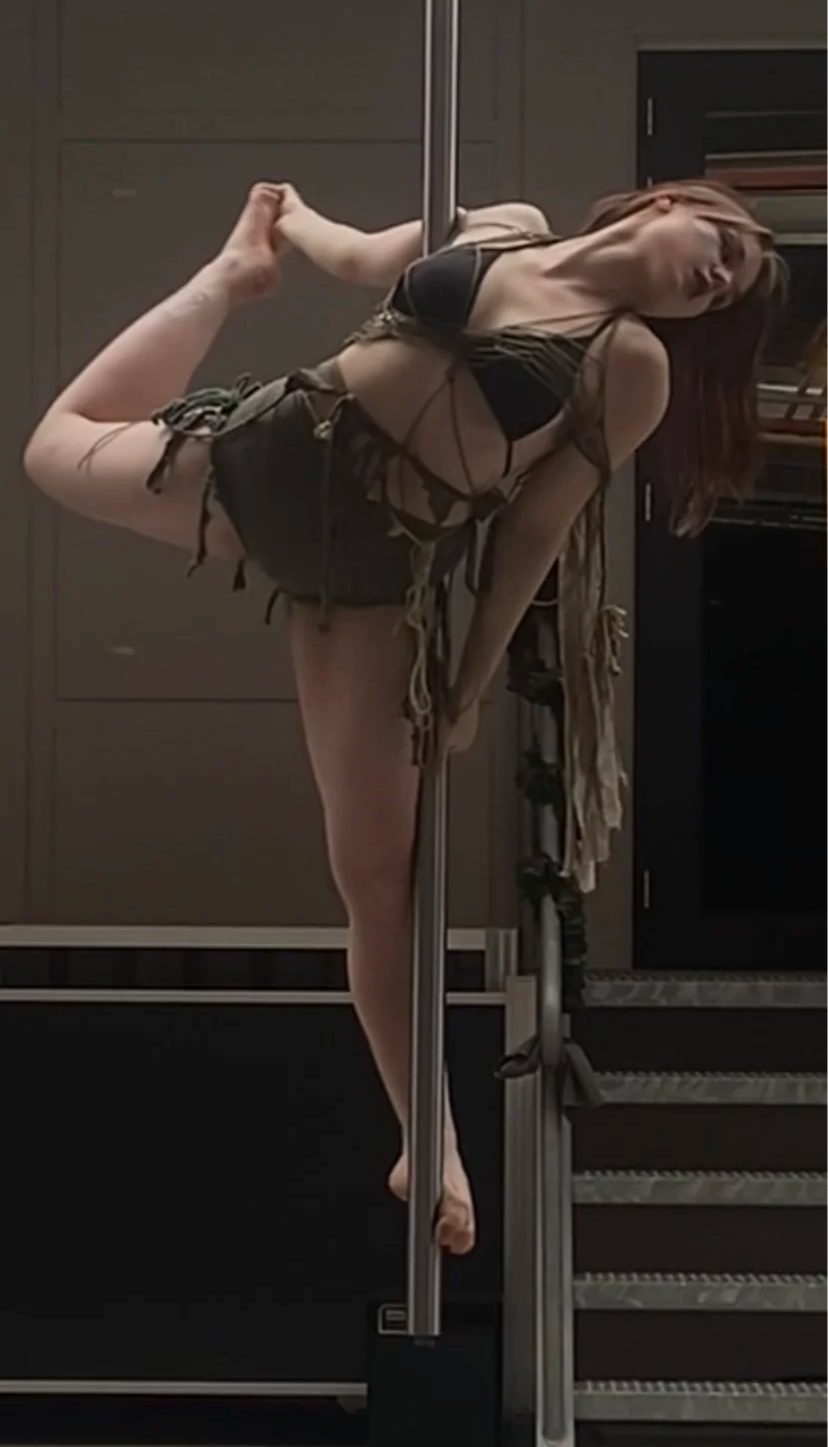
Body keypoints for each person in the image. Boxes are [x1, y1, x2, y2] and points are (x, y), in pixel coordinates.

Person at [23, 177, 785, 1255]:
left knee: (380, 873)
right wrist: (292, 225)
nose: (712, 280)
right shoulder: (507, 227)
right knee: (56, 447)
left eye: (721, 295)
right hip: (267, 454)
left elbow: (531, 536)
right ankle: (230, 277)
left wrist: (466, 687)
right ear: (671, 205)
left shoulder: (630, 366)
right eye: (725, 251)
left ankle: (429, 1137)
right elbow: (362, 258)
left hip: (373, 569)